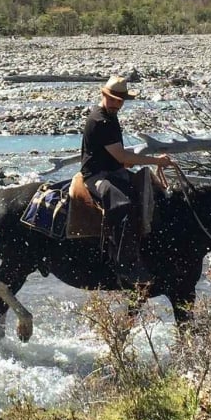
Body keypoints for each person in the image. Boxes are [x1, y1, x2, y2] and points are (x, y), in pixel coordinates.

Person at [80, 74, 172, 282]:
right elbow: (121, 155)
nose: (116, 104)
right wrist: (156, 161)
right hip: (96, 175)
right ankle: (124, 264)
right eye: (112, 99)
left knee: (152, 192)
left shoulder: (110, 116)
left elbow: (116, 155)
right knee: (123, 205)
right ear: (104, 95)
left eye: (119, 101)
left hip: (113, 171)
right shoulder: (100, 120)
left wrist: (125, 163)